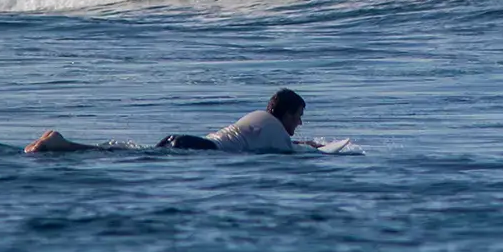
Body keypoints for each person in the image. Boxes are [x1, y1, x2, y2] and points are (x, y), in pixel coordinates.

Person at [25, 89, 311, 154]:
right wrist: (314, 147)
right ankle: (62, 145)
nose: (299, 123)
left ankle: (63, 144)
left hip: (190, 141)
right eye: (298, 116)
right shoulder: (274, 129)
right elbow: (290, 152)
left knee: (124, 152)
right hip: (198, 149)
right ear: (286, 114)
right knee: (122, 154)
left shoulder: (259, 119)